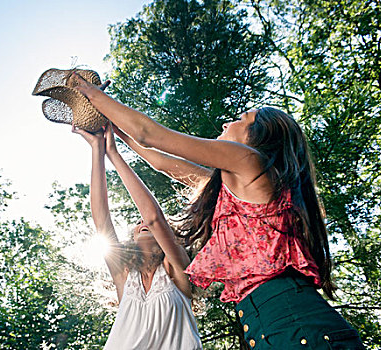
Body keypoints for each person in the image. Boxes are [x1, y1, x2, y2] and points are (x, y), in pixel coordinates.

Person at [70, 74, 365, 349]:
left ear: (257, 136)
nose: (227, 123)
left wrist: (91, 94)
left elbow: (149, 134)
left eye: (240, 120)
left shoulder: (251, 161)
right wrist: (114, 135)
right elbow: (160, 162)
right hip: (270, 327)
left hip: (296, 324)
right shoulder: (234, 187)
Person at [73, 123, 202, 350]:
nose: (143, 223)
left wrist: (113, 153)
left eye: (148, 223)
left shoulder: (176, 270)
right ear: (132, 237)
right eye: (138, 223)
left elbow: (153, 217)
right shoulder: (124, 276)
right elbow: (101, 219)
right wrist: (97, 149)